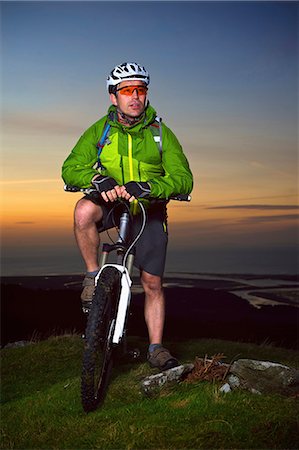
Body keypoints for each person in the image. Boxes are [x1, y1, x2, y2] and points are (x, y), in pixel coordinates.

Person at [62, 62, 193, 371]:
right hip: (110, 203)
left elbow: (184, 179)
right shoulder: (100, 130)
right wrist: (97, 181)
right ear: (113, 97)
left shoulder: (161, 133)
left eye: (141, 90)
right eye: (126, 91)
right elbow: (70, 167)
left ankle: (156, 347)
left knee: (151, 284)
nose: (135, 96)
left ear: (146, 94)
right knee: (82, 210)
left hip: (148, 209)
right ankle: (94, 276)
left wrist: (149, 186)